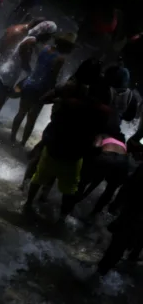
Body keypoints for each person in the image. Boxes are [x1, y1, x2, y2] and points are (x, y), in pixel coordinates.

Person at [22, 64, 112, 220]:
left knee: (41, 173)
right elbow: (103, 125)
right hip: (75, 148)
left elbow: (44, 99)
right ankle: (61, 218)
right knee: (70, 187)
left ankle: (29, 202)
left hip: (57, 139)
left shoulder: (69, 89)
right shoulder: (100, 100)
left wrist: (62, 100)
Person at [0, 20, 57, 126]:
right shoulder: (30, 42)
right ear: (45, 34)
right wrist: (31, 73)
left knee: (1, 99)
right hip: (8, 73)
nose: (50, 38)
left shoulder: (32, 40)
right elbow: (24, 62)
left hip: (9, 71)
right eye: (50, 35)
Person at [10, 32, 75, 145]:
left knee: (21, 112)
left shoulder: (45, 48)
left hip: (29, 83)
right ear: (67, 47)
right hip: (41, 89)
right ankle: (22, 143)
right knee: (31, 118)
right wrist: (53, 91)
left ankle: (12, 138)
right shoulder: (60, 59)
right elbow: (53, 77)